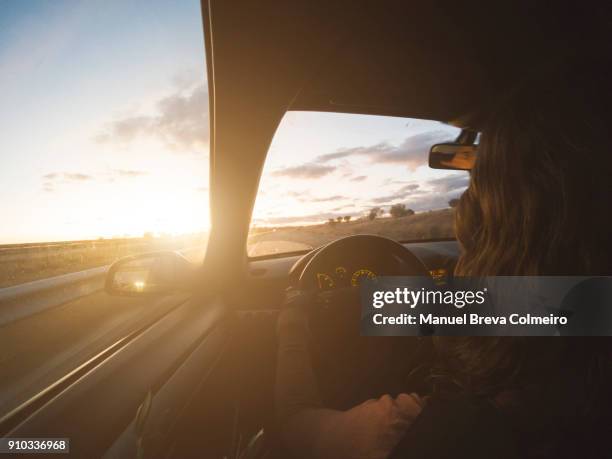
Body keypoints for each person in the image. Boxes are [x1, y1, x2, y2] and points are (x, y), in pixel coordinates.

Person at [275, 53, 612, 458]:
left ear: (505, 222)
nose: (464, 207)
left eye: (479, 184)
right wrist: (362, 301)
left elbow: (292, 424)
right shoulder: (585, 307)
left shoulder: (438, 433)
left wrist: (292, 327)